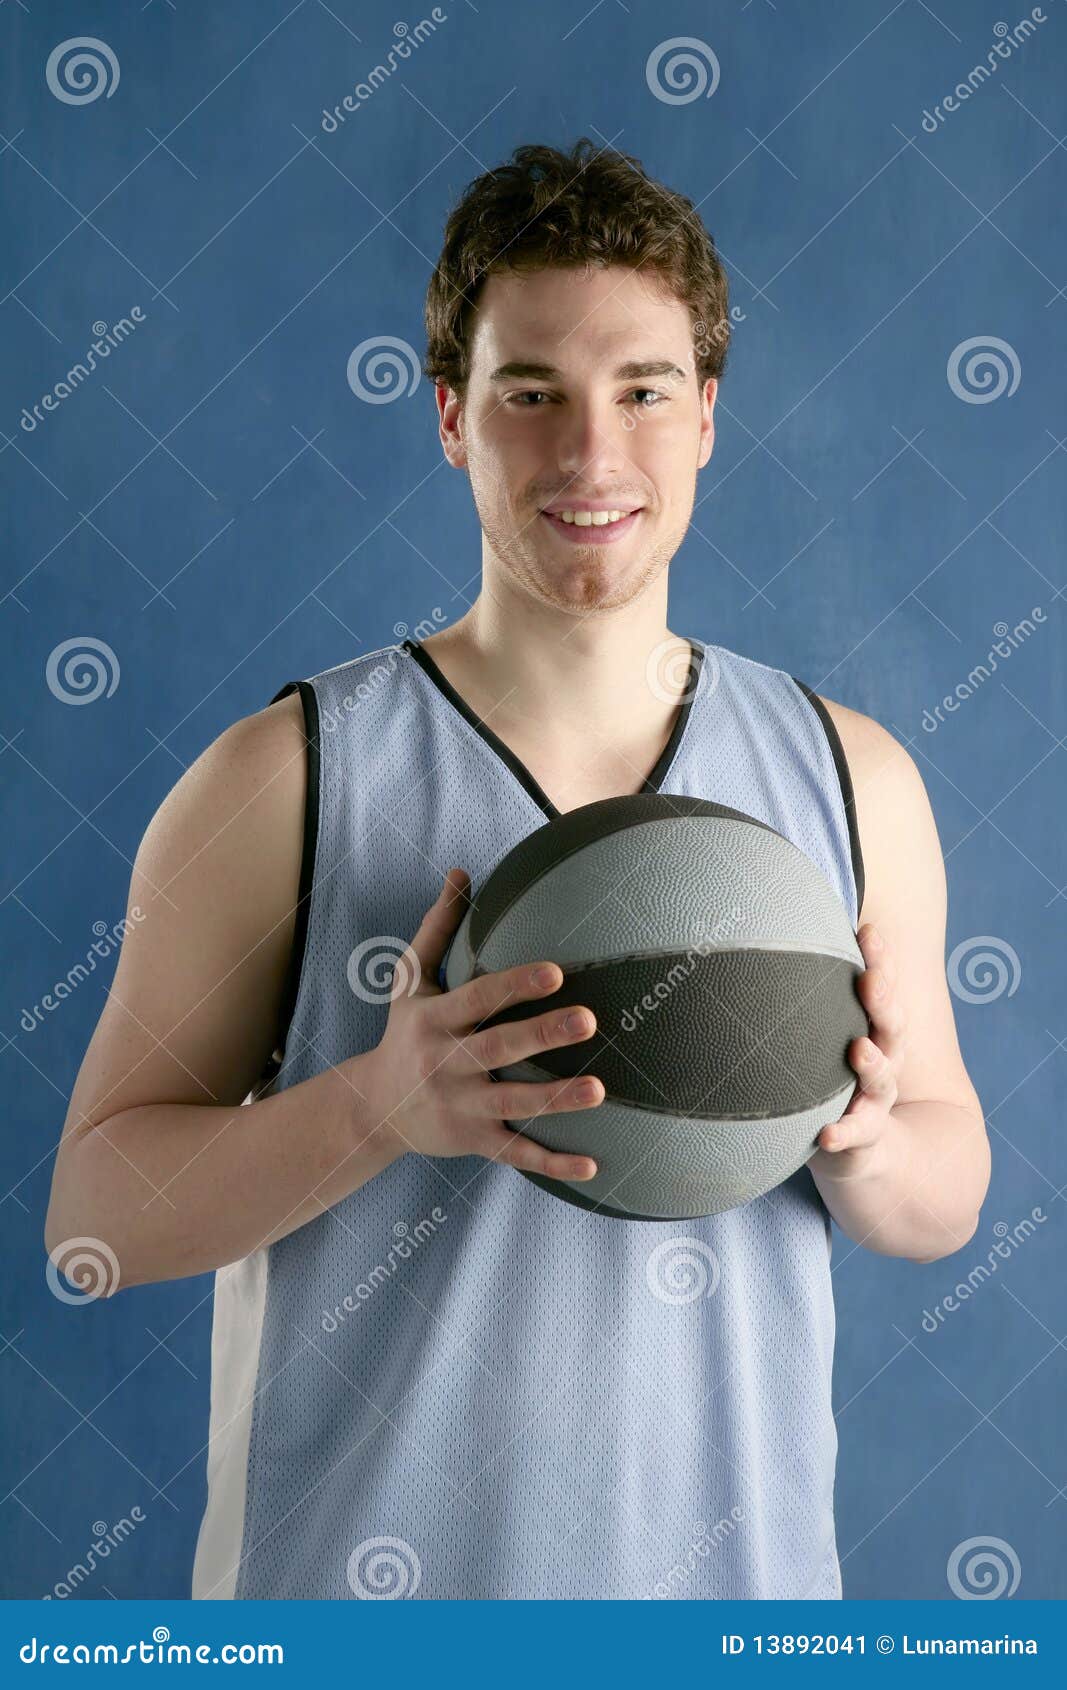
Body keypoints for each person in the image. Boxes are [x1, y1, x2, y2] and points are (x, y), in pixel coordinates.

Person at [45, 138, 989, 1601]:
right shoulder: (282, 779)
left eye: (643, 391)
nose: (591, 454)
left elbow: (946, 1190)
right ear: (450, 418)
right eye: (530, 392)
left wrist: (856, 1134)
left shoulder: (851, 776)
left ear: (709, 417)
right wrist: (378, 1103)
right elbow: (92, 1218)